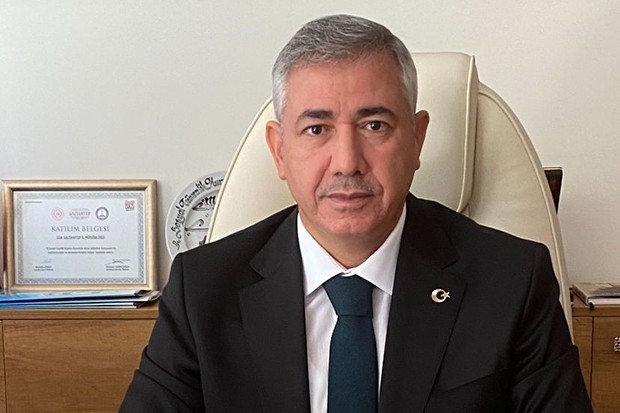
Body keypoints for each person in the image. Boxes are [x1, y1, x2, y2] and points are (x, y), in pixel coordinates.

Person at [120, 14, 593, 413]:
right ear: (279, 151)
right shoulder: (204, 290)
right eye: (316, 129)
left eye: (374, 125)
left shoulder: (512, 281)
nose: (347, 162)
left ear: (417, 140)